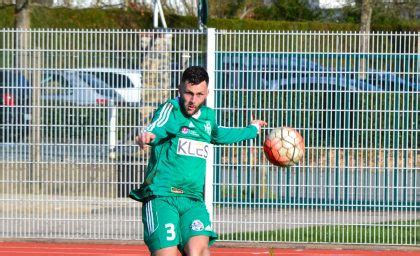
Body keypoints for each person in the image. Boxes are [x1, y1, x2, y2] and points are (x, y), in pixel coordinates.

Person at [130, 66, 267, 256]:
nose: (193, 100)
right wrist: (147, 135)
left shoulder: (208, 118)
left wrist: (252, 130)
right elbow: (157, 126)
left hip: (193, 200)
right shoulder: (171, 109)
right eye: (189, 93)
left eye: (199, 94)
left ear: (207, 93)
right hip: (162, 197)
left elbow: (220, 135)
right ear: (180, 89)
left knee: (199, 252)